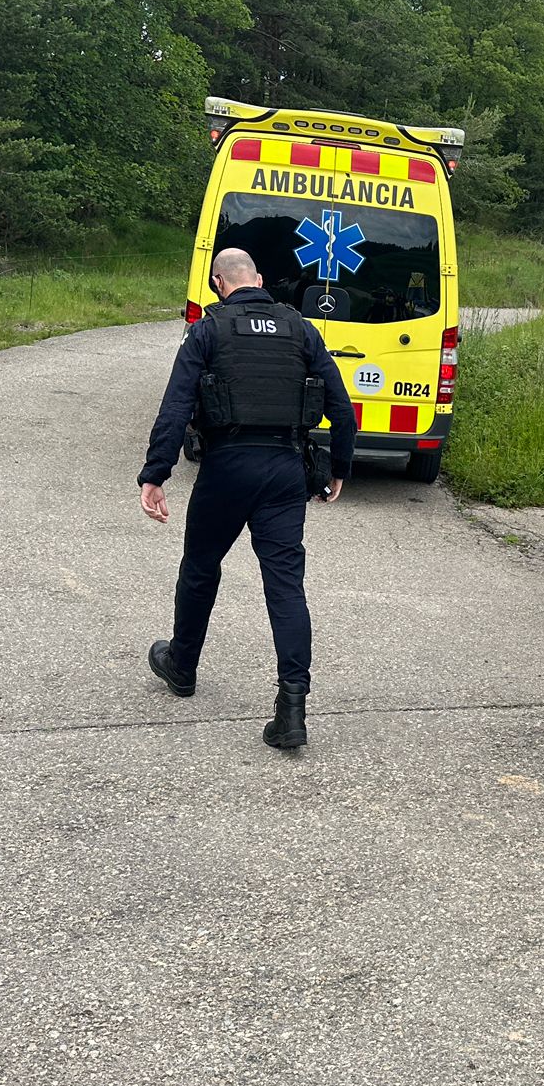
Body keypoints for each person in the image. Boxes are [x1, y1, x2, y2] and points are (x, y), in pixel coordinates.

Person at [138, 246, 355, 751]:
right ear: (258, 278)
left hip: (227, 467)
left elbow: (176, 406)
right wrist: (338, 470)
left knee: (200, 567)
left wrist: (156, 473)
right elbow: (342, 409)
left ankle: (183, 666)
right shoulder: (302, 329)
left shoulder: (208, 330)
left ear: (219, 284)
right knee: (285, 585)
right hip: (284, 470)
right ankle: (292, 708)